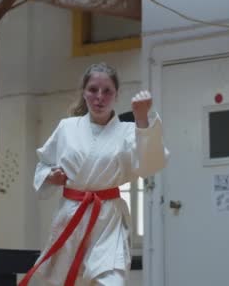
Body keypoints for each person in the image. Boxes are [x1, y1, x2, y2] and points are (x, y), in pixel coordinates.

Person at [19, 63, 169, 286]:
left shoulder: (128, 132)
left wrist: (142, 119)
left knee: (111, 280)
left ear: (116, 95)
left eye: (107, 91)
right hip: (72, 213)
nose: (99, 97)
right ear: (84, 92)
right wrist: (51, 176)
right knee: (64, 279)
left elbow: (149, 163)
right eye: (93, 89)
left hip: (108, 218)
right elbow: (43, 165)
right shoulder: (67, 128)